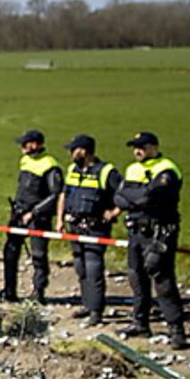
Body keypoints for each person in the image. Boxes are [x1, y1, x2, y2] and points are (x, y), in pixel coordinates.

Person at [113, 131, 187, 348]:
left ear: (154, 146)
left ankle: (176, 331)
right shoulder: (132, 169)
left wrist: (133, 197)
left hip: (159, 231)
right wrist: (137, 198)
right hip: (136, 231)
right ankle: (140, 323)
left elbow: (150, 197)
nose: (138, 151)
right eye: (135, 147)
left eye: (142, 147)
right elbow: (118, 197)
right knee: (136, 278)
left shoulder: (166, 169)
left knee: (162, 280)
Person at [55, 134, 121, 327]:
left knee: (94, 269)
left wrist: (114, 212)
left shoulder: (106, 172)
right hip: (75, 226)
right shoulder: (72, 170)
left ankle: (96, 311)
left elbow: (125, 194)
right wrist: (59, 219)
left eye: (73, 150)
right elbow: (64, 195)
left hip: (95, 229)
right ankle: (87, 303)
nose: (70, 154)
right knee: (80, 267)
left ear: (84, 150)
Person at [0, 130, 62, 304]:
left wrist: (33, 213)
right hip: (19, 214)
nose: (22, 148)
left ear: (36, 144)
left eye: (25, 144)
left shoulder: (50, 165)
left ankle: (38, 293)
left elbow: (55, 195)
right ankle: (9, 291)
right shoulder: (25, 161)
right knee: (10, 251)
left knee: (38, 256)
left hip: (37, 217)